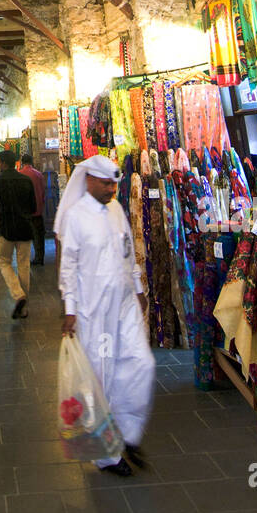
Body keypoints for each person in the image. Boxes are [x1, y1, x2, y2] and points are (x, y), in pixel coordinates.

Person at [57, 154, 156, 477]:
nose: (111, 188)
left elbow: (128, 250)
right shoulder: (75, 216)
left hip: (125, 303)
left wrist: (139, 286)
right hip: (92, 309)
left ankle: (127, 435)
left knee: (140, 363)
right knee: (101, 376)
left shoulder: (116, 210)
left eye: (114, 183)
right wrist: (70, 309)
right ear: (88, 180)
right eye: (105, 183)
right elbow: (68, 266)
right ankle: (105, 455)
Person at [0, 150, 36, 319]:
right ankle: (24, 307)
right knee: (24, 265)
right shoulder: (26, 180)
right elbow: (33, 207)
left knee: (4, 261)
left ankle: (17, 293)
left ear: (4, 163)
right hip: (25, 228)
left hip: (6, 228)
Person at [19, 152, 46, 266]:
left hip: (25, 211)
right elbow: (44, 191)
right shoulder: (39, 174)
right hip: (38, 210)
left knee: (24, 237)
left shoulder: (20, 174)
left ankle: (24, 258)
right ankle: (40, 257)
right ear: (32, 161)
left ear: (22, 162)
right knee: (39, 236)